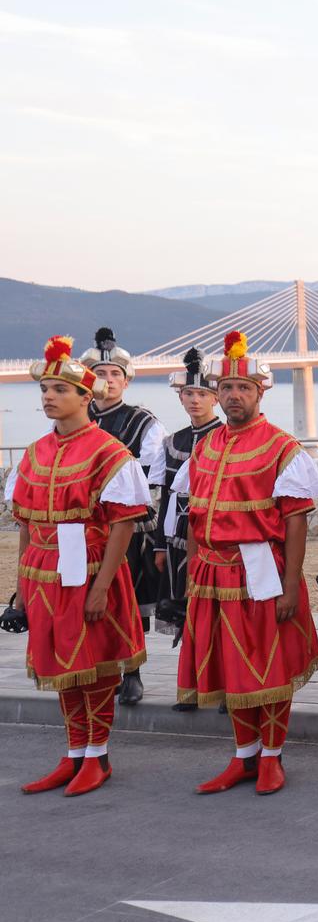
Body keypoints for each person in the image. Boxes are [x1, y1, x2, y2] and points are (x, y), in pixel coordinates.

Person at [168, 331, 318, 795]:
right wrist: (194, 571)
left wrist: (291, 584)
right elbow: (195, 516)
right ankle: (243, 756)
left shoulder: (281, 448)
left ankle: (272, 757)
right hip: (212, 574)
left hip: (260, 570)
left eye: (244, 389)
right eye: (227, 389)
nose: (234, 396)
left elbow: (296, 524)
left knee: (266, 664)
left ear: (259, 394)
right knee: (230, 667)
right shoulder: (205, 447)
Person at [6, 335, 150, 796]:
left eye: (59, 390)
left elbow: (123, 526)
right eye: (44, 390)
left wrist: (102, 586)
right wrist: (21, 588)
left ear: (86, 397)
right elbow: (26, 526)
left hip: (88, 567)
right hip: (44, 574)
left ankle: (98, 756)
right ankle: (73, 753)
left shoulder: (109, 453)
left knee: (96, 665)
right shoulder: (32, 454)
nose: (48, 397)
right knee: (63, 668)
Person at [84, 326, 166, 705]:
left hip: (123, 527)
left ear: (126, 381)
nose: (108, 380)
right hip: (81, 530)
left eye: (115, 374)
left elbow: (152, 481)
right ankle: (96, 668)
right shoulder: (77, 417)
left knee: (124, 598)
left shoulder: (143, 422)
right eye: (100, 374)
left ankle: (131, 672)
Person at [152, 347, 223, 712]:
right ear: (180, 397)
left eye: (203, 394)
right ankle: (192, 683)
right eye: (189, 394)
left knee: (217, 613)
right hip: (178, 538)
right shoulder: (172, 442)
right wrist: (160, 546)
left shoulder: (226, 436)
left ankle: (225, 685)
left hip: (214, 539)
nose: (195, 400)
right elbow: (165, 495)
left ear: (215, 397)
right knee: (186, 612)